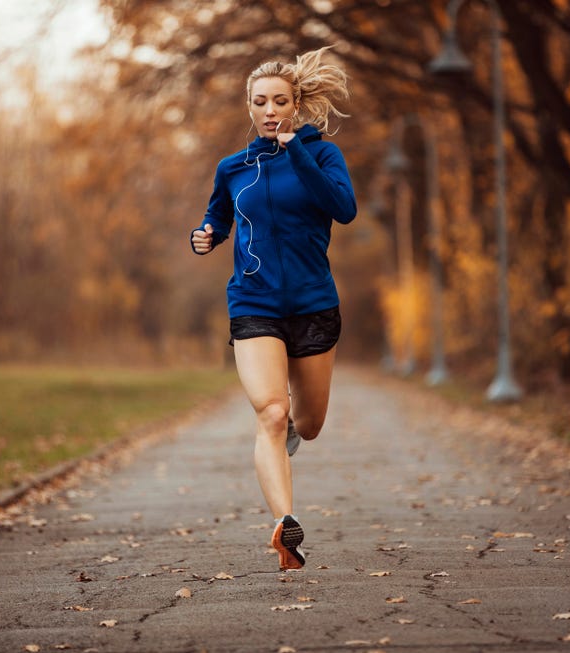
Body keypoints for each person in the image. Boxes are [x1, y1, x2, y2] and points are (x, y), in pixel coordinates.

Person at [190, 47, 356, 570]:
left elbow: (343, 209)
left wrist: (296, 151)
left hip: (313, 306)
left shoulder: (323, 155)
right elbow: (218, 216)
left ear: (296, 104)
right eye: (259, 102)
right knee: (271, 411)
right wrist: (206, 235)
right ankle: (287, 527)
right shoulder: (232, 168)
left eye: (279, 102)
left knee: (306, 422)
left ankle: (290, 433)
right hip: (254, 303)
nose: (269, 111)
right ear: (248, 106)